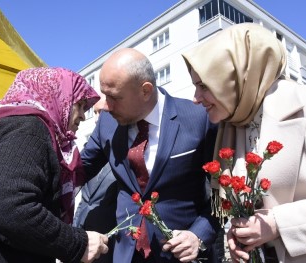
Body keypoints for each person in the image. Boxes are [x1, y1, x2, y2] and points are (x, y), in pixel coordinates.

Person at [182, 23, 306, 263]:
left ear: (238, 78)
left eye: (203, 86)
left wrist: (278, 225)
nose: (196, 99)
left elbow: (272, 221)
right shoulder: (235, 124)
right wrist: (240, 233)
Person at [0, 67, 109, 263]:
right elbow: (8, 208)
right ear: (57, 97)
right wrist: (78, 243)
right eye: (79, 104)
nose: (83, 116)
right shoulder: (29, 128)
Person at [81, 48, 220, 263]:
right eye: (105, 95)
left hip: (180, 255)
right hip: (125, 254)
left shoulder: (199, 119)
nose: (106, 105)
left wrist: (199, 235)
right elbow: (77, 171)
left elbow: (225, 194)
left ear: (145, 90)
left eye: (114, 97)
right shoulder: (107, 123)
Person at [74, 95, 118, 263]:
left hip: (107, 244)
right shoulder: (88, 153)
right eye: (97, 113)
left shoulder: (121, 156)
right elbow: (84, 199)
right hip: (82, 238)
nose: (99, 118)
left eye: (104, 112)